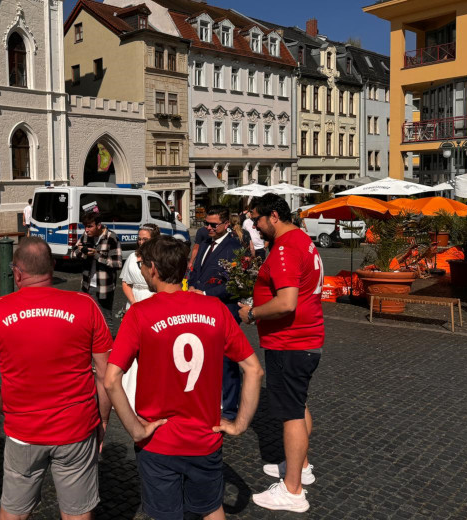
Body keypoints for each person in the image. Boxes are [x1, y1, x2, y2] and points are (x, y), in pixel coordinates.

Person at [104, 235, 263, 520]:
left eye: (142, 266)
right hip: (205, 438)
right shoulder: (215, 309)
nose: (140, 271)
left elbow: (111, 379)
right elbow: (254, 369)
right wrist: (240, 424)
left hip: (158, 441)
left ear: (153, 268)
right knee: (212, 509)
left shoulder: (140, 314)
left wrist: (135, 430)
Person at [0, 237, 113, 520]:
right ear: (52, 267)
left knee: (13, 511)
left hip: (23, 431)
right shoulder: (85, 305)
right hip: (76, 426)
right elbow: (106, 376)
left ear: (17, 272)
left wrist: (9, 409)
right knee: (78, 513)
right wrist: (103, 419)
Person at [239, 193, 325, 513]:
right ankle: (299, 467)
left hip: (290, 342)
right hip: (303, 339)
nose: (255, 228)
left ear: (274, 216)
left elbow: (287, 302)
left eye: (258, 220)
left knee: (290, 413)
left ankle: (292, 490)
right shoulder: (302, 239)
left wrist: (252, 313)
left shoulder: (287, 247)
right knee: (298, 405)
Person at [187, 206, 245, 421]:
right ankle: (208, 401)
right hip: (202, 311)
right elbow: (195, 272)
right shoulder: (204, 243)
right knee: (204, 359)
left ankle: (230, 410)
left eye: (213, 225)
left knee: (226, 361)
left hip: (224, 311)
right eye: (206, 224)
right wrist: (192, 287)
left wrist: (203, 292)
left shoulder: (235, 247)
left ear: (226, 224)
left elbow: (237, 285)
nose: (208, 228)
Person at [119, 223, 159, 408]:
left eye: (145, 238)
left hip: (153, 300)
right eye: (139, 238)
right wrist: (134, 303)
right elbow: (126, 283)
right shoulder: (132, 258)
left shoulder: (160, 258)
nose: (141, 241)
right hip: (135, 301)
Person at [71, 210, 122, 331]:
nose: (86, 230)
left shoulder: (111, 237)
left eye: (89, 226)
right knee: (84, 318)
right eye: (85, 226)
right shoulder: (85, 235)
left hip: (104, 287)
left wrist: (97, 255)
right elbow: (72, 253)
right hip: (86, 286)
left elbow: (118, 263)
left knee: (105, 320)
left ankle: (109, 348)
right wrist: (82, 253)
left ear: (99, 225)